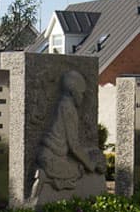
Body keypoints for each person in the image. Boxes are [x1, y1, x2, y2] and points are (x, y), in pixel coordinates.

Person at [30, 70, 104, 199]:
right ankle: (45, 177)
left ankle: (46, 178)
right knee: (78, 171)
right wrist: (90, 165)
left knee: (79, 168)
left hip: (50, 154)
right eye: (81, 93)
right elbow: (74, 145)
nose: (83, 97)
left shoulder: (63, 105)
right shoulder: (68, 109)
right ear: (72, 91)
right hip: (52, 158)